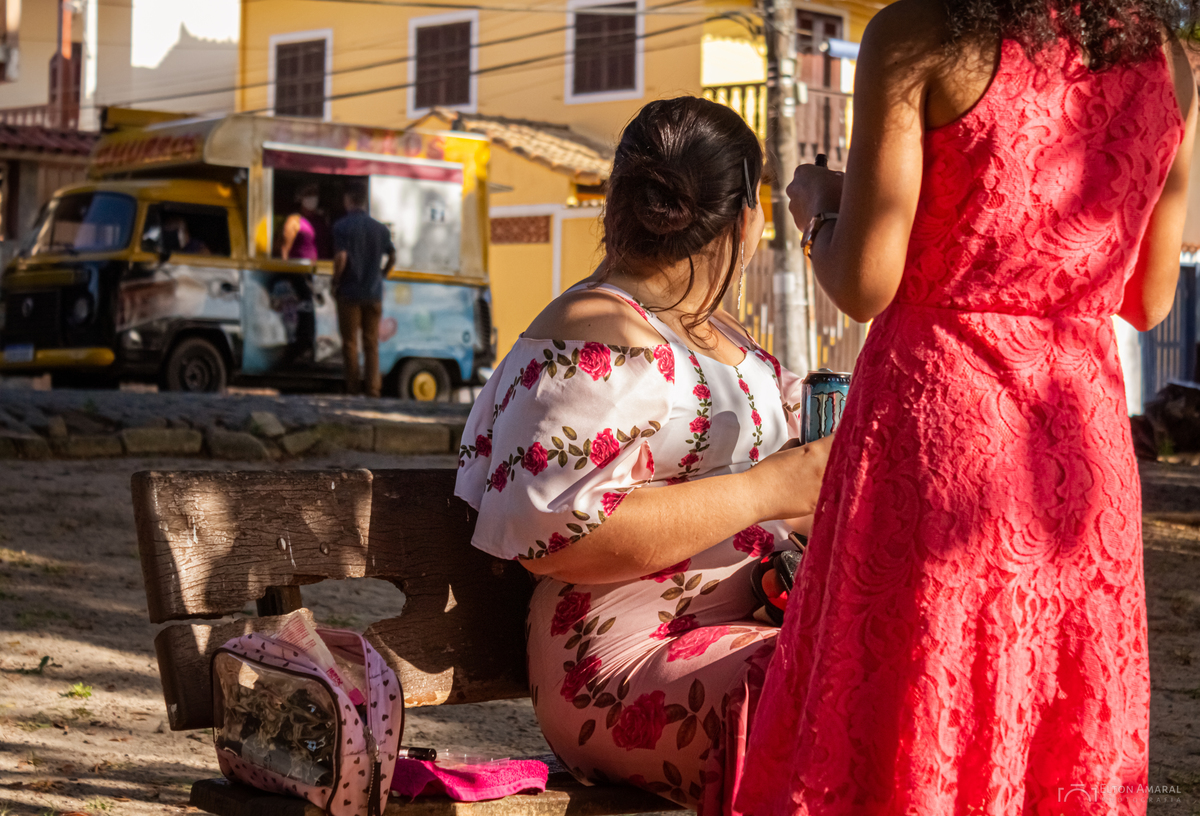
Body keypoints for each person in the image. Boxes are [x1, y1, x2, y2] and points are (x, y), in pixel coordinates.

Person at [737, 1, 1199, 814]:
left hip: (942, 437)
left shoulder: (920, 35)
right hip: (1078, 445)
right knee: (1046, 712)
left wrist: (818, 207)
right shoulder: (1170, 61)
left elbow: (863, 282)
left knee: (925, 703)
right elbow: (1150, 297)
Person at [454, 97, 832, 816]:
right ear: (745, 221)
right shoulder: (593, 331)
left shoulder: (715, 332)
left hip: (740, 629)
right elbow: (553, 535)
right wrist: (764, 492)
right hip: (621, 658)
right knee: (835, 686)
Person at [332, 182, 395, 397]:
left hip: (349, 293)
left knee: (350, 343)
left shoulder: (341, 226)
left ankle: (352, 389)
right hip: (374, 293)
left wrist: (335, 280)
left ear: (348, 201)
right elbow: (393, 255)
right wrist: (382, 274)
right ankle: (373, 389)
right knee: (371, 343)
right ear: (365, 202)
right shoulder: (380, 228)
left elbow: (341, 257)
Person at [281, 184, 331, 261]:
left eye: (315, 194)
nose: (312, 197)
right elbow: (285, 248)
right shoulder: (294, 220)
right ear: (300, 197)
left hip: (321, 267)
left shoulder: (321, 221)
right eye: (308, 194)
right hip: (299, 269)